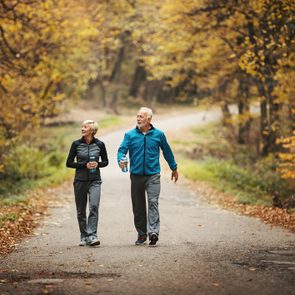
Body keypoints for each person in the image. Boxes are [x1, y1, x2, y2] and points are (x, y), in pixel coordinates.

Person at [117, 107, 178, 246]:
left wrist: (174, 168)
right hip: (136, 176)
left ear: (149, 119)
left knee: (153, 202)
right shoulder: (130, 135)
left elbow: (167, 152)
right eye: (137, 116)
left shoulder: (159, 135)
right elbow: (122, 150)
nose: (138, 119)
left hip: (153, 175)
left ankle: (153, 232)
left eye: (141, 117)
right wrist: (121, 160)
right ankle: (142, 234)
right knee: (138, 207)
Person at [66, 120, 108, 246]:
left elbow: (106, 161)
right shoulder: (76, 144)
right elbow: (69, 163)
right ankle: (83, 236)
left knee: (94, 206)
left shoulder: (100, 144)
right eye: (82, 126)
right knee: (80, 210)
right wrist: (84, 165)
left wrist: (98, 164)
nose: (82, 128)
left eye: (86, 127)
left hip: (95, 180)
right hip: (80, 181)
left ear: (92, 130)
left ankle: (92, 235)